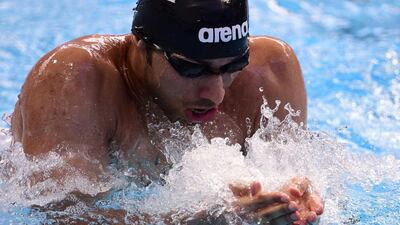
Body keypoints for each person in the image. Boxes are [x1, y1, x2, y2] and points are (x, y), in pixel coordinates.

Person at [11, 0, 323, 224]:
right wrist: (201, 218)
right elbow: (60, 213)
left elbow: (290, 179)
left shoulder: (270, 72)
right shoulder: (74, 81)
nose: (216, 93)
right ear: (141, 46)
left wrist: (296, 201)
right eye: (190, 68)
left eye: (233, 67)